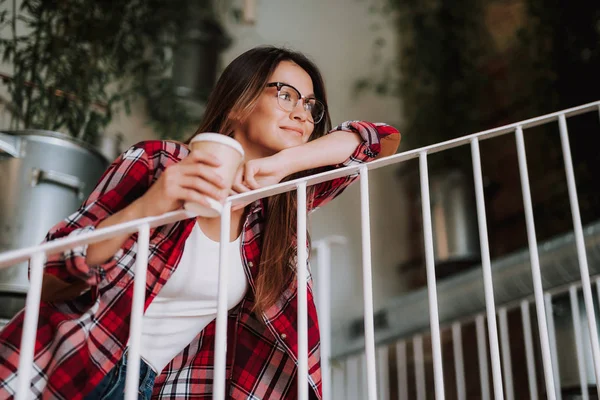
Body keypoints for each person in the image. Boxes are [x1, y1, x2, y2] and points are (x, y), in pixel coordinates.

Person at [0, 46, 400, 399]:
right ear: (237, 103)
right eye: (285, 95)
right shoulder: (160, 162)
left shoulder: (277, 210)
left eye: (311, 105)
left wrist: (280, 165)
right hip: (67, 365)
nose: (302, 113)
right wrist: (152, 205)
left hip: (145, 386)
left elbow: (377, 140)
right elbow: (49, 276)